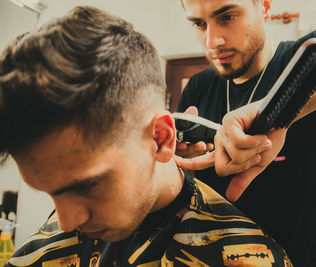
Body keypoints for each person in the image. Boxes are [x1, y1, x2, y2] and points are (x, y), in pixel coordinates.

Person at [0, 6, 293, 267]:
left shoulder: (248, 258)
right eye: (50, 191)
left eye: (88, 186)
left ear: (161, 139)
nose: (65, 221)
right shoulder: (40, 252)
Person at [175, 0, 316, 266]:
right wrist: (179, 167)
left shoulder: (304, 59)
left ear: (265, 7)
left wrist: (288, 105)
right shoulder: (197, 87)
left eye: (227, 16)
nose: (212, 41)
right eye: (199, 24)